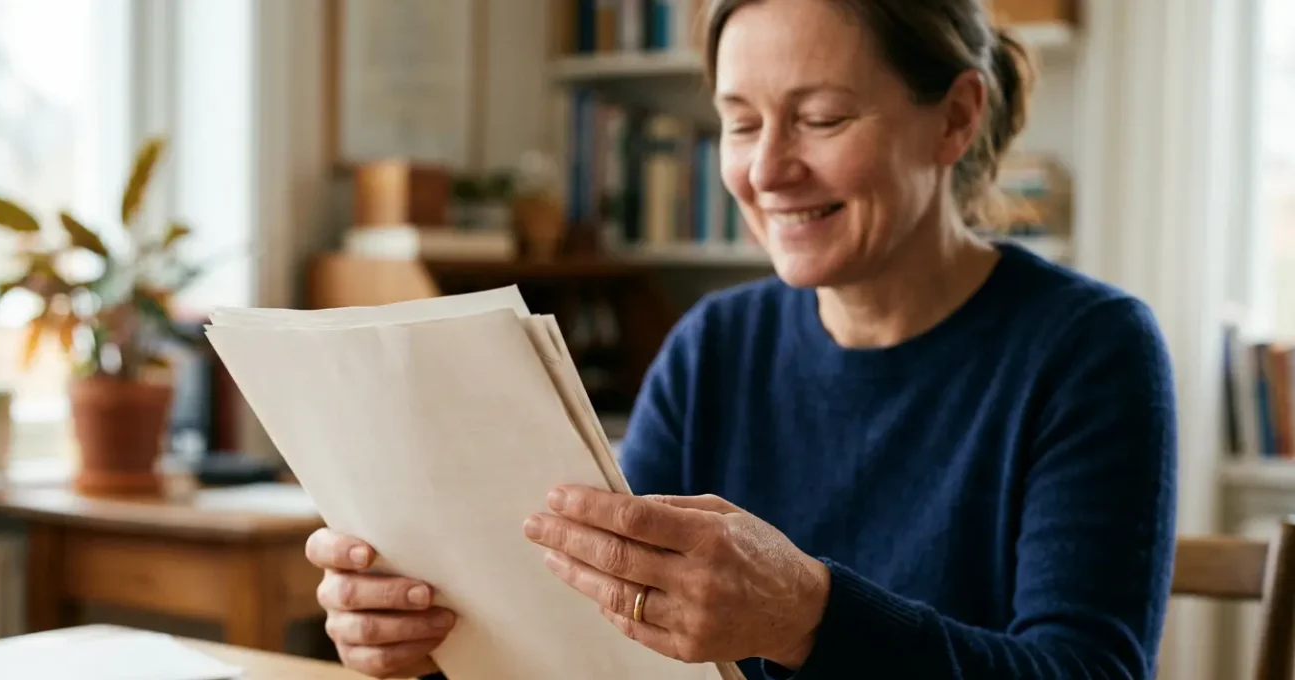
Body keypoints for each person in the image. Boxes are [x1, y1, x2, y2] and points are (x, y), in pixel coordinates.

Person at [304, 0, 1178, 677]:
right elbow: (609, 640)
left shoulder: (1090, 350)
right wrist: (429, 635)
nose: (765, 171)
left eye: (823, 118)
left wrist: (807, 616)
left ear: (955, 118)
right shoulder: (715, 342)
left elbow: (1085, 673)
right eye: (742, 122)